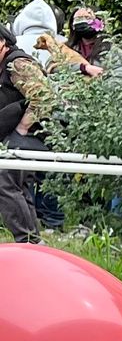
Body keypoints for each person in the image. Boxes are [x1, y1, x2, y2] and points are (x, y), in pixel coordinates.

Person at [0, 23, 58, 244]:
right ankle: (32, 243)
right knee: (17, 186)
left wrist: (22, 129)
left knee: (4, 177)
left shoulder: (17, 64)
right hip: (21, 135)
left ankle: (28, 241)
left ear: (2, 42)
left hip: (37, 133)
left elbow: (44, 97)